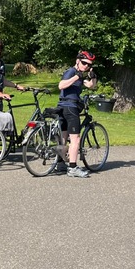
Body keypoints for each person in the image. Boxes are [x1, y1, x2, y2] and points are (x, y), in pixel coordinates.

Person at [58, 50, 98, 178]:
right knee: (75, 139)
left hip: (64, 107)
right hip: (70, 107)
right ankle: (73, 167)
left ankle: (60, 163)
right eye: (84, 63)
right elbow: (61, 85)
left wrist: (93, 77)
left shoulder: (80, 74)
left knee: (63, 136)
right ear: (77, 61)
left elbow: (90, 86)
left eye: (89, 64)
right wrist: (76, 77)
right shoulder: (72, 72)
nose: (86, 66)